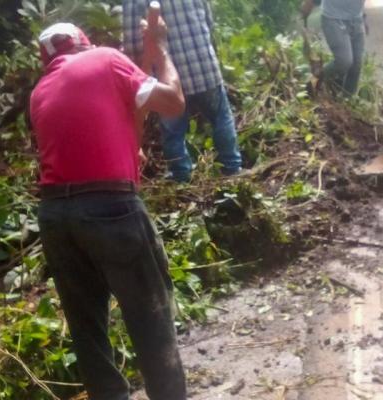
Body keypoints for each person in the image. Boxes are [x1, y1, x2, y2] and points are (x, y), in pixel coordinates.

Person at [29, 21, 188, 400]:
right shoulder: (106, 60)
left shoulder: (38, 93)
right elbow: (173, 102)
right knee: (151, 320)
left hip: (56, 217)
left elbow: (94, 138)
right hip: (110, 210)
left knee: (88, 334)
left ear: (46, 59)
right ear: (84, 43)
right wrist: (161, 48)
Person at [122, 0, 243, 183]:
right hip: (202, 64)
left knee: (172, 131)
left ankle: (181, 178)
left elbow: (132, 39)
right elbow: (209, 22)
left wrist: (139, 74)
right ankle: (232, 168)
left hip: (168, 75)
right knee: (220, 117)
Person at [301, 0, 366, 96]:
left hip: (356, 19)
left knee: (356, 64)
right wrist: (305, 11)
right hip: (333, 19)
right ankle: (314, 81)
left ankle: (347, 100)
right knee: (344, 61)